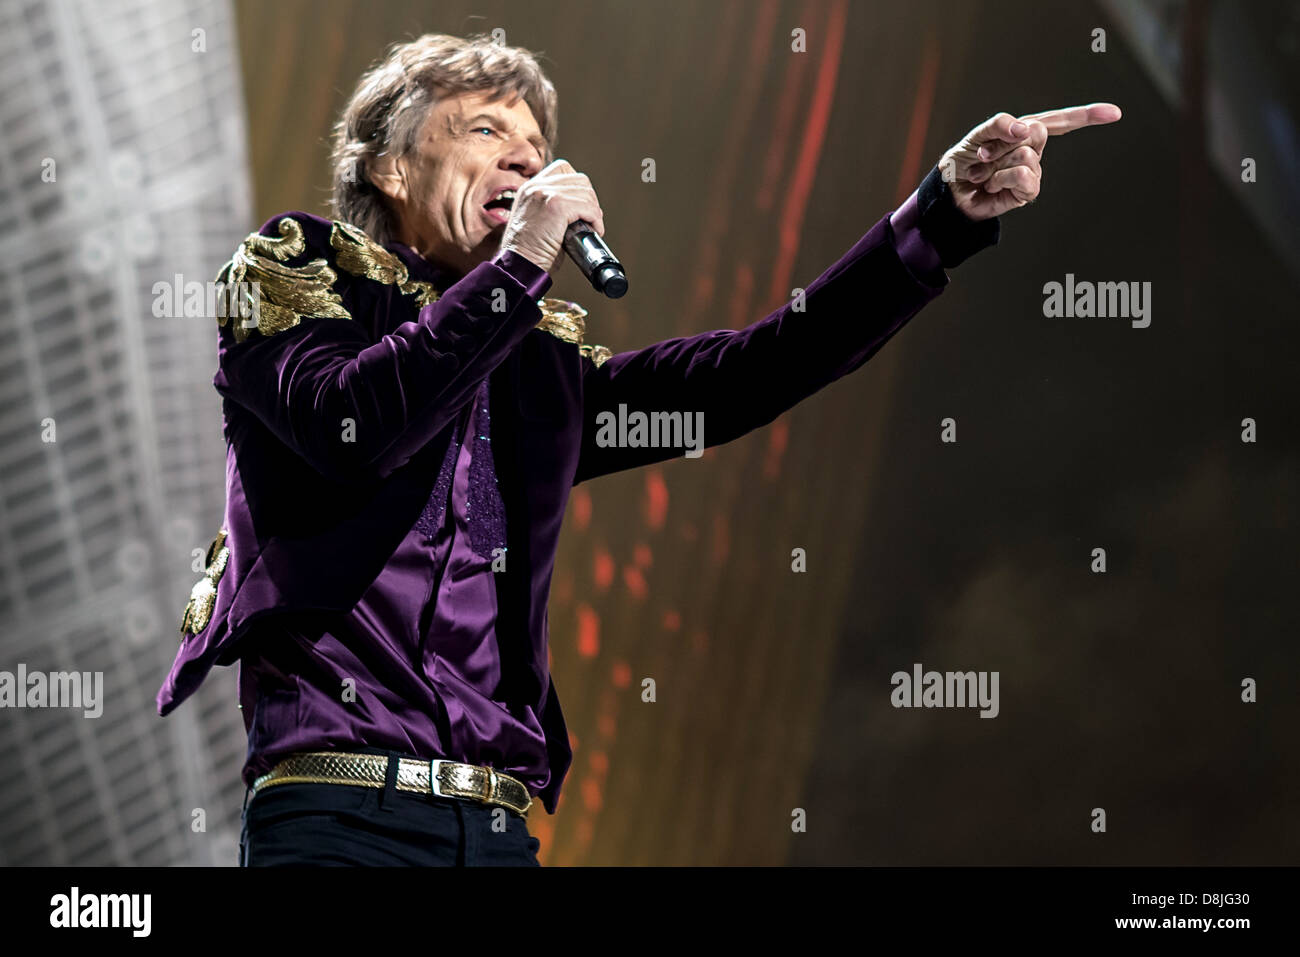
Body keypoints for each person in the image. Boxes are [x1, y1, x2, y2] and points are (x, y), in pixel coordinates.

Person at [154, 32, 1120, 866]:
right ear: (391, 167)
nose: (526, 163)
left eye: (537, 148)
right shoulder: (297, 267)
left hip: (494, 829)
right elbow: (351, 427)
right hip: (337, 810)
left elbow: (747, 371)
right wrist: (523, 266)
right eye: (487, 131)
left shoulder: (536, 367)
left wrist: (940, 217)